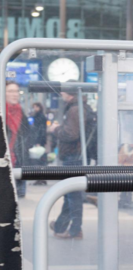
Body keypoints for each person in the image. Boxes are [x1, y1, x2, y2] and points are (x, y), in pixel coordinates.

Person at [48, 91, 92, 239]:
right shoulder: (79, 107)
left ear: (70, 93)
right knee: (70, 194)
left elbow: (71, 134)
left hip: (73, 155)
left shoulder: (74, 109)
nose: (61, 93)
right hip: (76, 155)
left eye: (64, 90)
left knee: (73, 195)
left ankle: (75, 230)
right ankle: (61, 225)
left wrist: (56, 130)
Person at [5, 81, 32, 198]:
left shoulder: (21, 114)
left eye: (16, 91)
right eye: (11, 91)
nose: (15, 94)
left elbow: (27, 137)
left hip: (17, 163)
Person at [30, 102, 48, 185]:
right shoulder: (41, 116)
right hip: (40, 141)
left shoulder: (39, 116)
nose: (34, 109)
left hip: (39, 141)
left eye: (35, 107)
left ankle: (40, 178)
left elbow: (39, 130)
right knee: (41, 160)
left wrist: (38, 142)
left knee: (38, 161)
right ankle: (41, 178)